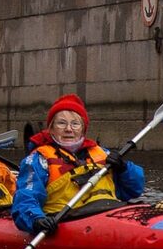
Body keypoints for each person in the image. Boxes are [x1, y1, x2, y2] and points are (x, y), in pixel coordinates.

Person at [12, 94, 144, 236]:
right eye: (61, 123)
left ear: (83, 129)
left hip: (109, 213)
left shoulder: (103, 154)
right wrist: (36, 220)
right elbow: (26, 196)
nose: (69, 129)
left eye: (75, 124)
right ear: (51, 129)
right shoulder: (38, 160)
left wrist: (124, 168)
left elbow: (134, 190)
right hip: (67, 220)